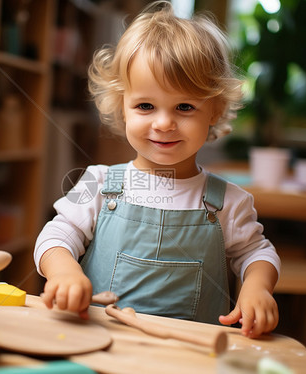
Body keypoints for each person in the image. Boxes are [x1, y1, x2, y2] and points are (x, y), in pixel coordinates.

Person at [34, 1, 280, 338]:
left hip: (191, 355)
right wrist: (63, 272)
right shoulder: (100, 182)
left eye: (184, 106)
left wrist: (257, 287)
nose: (164, 123)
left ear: (215, 109)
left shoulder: (229, 202)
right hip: (100, 342)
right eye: (145, 106)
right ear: (122, 107)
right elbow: (55, 236)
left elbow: (257, 253)